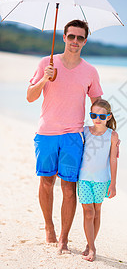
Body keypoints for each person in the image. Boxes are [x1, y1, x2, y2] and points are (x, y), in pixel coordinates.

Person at [26, 20, 103, 254]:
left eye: (80, 38)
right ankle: (48, 227)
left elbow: (97, 102)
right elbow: (30, 96)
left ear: (85, 41)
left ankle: (63, 238)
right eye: (71, 37)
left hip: (73, 136)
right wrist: (44, 79)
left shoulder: (90, 71)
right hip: (47, 132)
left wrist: (107, 131)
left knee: (69, 188)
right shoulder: (46, 63)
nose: (75, 42)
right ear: (64, 37)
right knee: (46, 182)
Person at [77, 99, 118, 262]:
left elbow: (113, 160)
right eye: (94, 115)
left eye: (101, 116)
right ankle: (93, 248)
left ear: (108, 117)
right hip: (84, 178)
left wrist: (113, 184)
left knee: (97, 211)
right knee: (88, 212)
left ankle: (89, 243)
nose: (97, 119)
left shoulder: (112, 135)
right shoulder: (85, 131)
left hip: (102, 180)